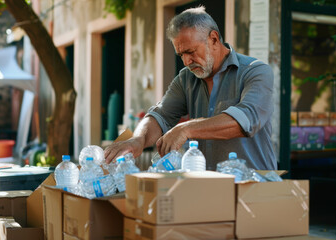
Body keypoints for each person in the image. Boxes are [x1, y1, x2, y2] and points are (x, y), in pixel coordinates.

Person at [105, 6, 276, 170]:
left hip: (254, 187)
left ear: (214, 39)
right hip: (207, 188)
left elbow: (245, 121)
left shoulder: (256, 71)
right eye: (181, 55)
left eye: (191, 51)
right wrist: (138, 139)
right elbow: (161, 114)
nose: (187, 62)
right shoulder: (186, 77)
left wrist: (186, 128)